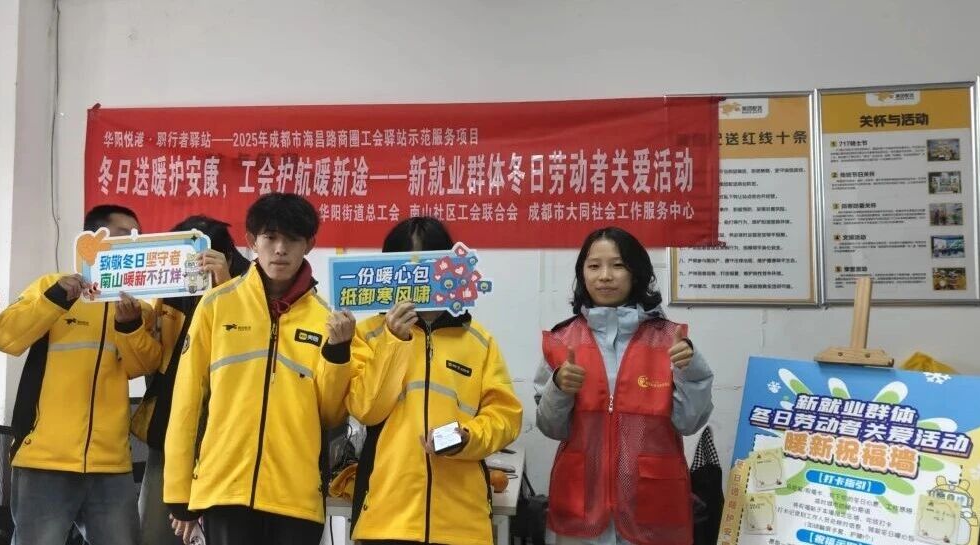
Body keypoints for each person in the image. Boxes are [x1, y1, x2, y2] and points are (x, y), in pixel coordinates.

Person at [164, 193, 367, 545]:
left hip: (296, 497)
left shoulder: (328, 320)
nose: (280, 249)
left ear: (309, 245)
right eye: (270, 237)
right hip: (224, 490)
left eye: (292, 239)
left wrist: (338, 353)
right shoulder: (217, 305)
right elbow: (186, 403)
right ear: (251, 241)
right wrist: (178, 491)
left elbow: (331, 414)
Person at [0, 204, 161, 545]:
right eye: (122, 235)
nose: (132, 243)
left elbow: (143, 366)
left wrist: (128, 326)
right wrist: (55, 299)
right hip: (44, 459)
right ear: (92, 239)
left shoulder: (139, 306)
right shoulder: (52, 286)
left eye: (136, 237)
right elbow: (5, 337)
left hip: (110, 463)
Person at [347, 217, 522, 545]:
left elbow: (506, 417)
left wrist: (467, 437)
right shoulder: (368, 334)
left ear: (447, 267)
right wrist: (393, 341)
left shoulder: (478, 340)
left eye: (426, 265)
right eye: (406, 266)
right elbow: (366, 410)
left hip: (461, 522)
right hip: (386, 518)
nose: (417, 277)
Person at [534, 226, 713, 545]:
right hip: (581, 503)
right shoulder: (561, 341)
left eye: (618, 265)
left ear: (637, 272)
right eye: (594, 266)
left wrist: (691, 370)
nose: (605, 276)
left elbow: (688, 423)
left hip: (652, 504)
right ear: (582, 274)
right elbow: (552, 427)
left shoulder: (670, 340)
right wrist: (559, 388)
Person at [133, 215, 249, 545]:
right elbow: (151, 358)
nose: (189, 267)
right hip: (171, 433)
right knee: (154, 534)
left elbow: (246, 349)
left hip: (228, 442)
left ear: (227, 258)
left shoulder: (252, 289)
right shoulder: (167, 293)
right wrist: (130, 323)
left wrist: (224, 286)